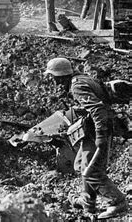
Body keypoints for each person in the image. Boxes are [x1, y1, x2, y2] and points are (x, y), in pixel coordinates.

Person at [44, 57, 128, 219]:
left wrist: (101, 137)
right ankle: (88, 202)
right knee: (82, 165)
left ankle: (118, 203)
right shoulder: (82, 79)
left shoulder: (77, 86)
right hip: (90, 130)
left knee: (92, 171)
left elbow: (98, 110)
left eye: (53, 77)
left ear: (61, 76)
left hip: (98, 130)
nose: (53, 81)